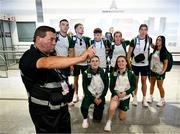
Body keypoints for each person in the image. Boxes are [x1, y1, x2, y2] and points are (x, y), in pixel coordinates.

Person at [19, 26, 95, 133]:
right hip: (45, 113)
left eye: (55, 39)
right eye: (51, 39)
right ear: (38, 39)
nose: (54, 42)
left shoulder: (51, 54)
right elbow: (47, 63)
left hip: (61, 109)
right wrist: (81, 58)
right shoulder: (30, 56)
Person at [104, 55, 136, 132]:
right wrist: (115, 93)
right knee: (111, 108)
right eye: (118, 61)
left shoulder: (131, 73)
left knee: (122, 118)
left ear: (126, 63)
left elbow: (133, 86)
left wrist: (126, 92)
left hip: (125, 97)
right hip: (116, 95)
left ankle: (119, 107)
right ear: (116, 63)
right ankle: (109, 122)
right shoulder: (113, 73)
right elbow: (111, 86)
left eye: (122, 61)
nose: (120, 63)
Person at [127, 24, 153, 107]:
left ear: (147, 31)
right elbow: (129, 53)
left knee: (144, 82)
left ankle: (144, 99)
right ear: (139, 30)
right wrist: (128, 64)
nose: (143, 31)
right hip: (135, 64)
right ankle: (135, 98)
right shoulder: (134, 40)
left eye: (145, 29)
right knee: (136, 82)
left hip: (145, 65)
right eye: (142, 29)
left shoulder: (149, 39)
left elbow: (154, 46)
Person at [81, 55, 109, 128]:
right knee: (84, 107)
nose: (95, 63)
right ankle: (85, 119)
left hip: (100, 95)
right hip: (90, 94)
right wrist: (93, 98)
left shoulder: (104, 71)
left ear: (99, 62)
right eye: (92, 61)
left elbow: (106, 86)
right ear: (89, 63)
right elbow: (85, 88)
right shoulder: (86, 72)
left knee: (97, 119)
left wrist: (101, 97)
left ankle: (97, 113)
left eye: (96, 61)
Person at [71, 23, 91, 103]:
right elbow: (71, 51)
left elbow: (88, 50)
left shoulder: (86, 39)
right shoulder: (72, 39)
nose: (82, 29)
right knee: (76, 79)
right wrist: (71, 63)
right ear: (76, 30)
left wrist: (88, 59)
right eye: (80, 28)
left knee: (85, 79)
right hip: (76, 62)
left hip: (84, 63)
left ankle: (85, 94)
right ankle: (76, 94)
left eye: (83, 28)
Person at [148, 35, 168, 107]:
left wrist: (163, 71)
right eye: (157, 40)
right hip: (153, 70)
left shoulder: (164, 51)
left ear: (162, 42)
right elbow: (151, 44)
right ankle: (151, 97)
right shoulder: (155, 48)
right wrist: (148, 36)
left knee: (159, 86)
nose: (157, 41)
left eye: (159, 40)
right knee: (152, 84)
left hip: (160, 72)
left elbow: (166, 63)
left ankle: (162, 100)